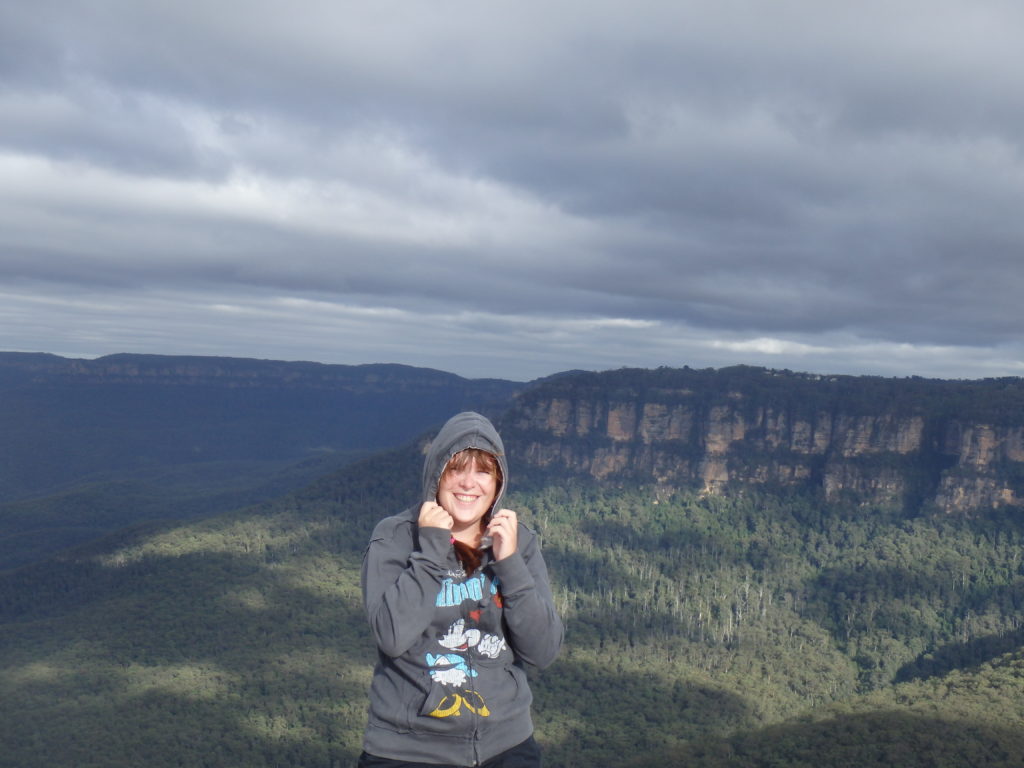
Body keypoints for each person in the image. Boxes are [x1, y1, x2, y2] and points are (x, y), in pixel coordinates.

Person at [358, 411, 563, 767]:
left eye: (483, 471)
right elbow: (392, 636)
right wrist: (432, 548)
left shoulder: (519, 542)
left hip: (508, 747)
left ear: (498, 482)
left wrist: (510, 561)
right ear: (436, 475)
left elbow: (543, 650)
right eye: (456, 469)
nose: (469, 483)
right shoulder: (395, 538)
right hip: (407, 751)